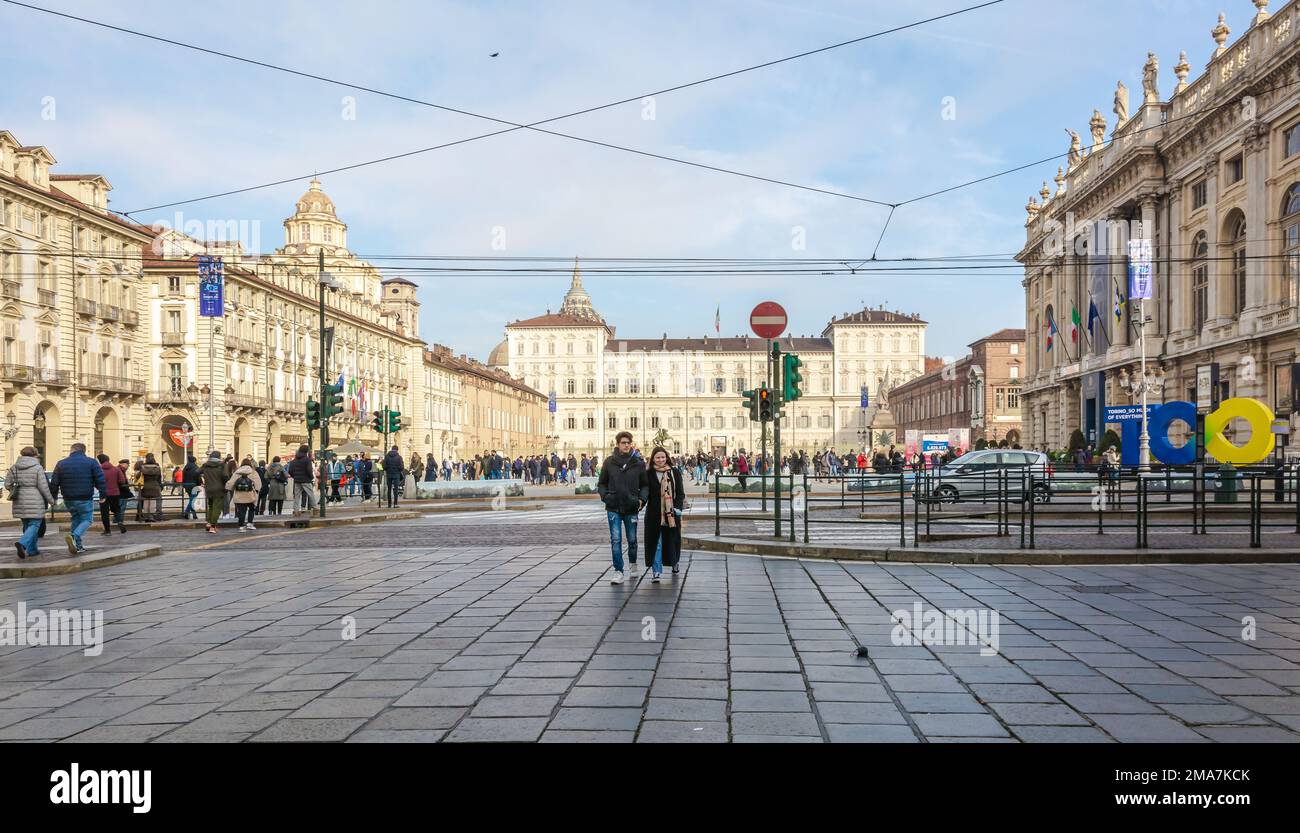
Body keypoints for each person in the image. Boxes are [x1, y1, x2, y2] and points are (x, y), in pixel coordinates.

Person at [597, 431, 647, 585]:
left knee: (632, 540)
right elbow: (601, 483)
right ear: (617, 444)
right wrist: (605, 496)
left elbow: (645, 485)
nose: (626, 445)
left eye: (628, 442)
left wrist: (641, 500)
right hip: (613, 506)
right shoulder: (609, 462)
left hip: (631, 506)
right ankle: (618, 571)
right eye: (623, 442)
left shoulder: (638, 463)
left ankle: (633, 563)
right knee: (616, 539)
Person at [50, 442, 106, 555]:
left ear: (72, 450)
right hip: (84, 497)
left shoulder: (61, 463)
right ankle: (74, 536)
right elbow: (100, 479)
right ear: (84, 451)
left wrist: (53, 497)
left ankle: (78, 546)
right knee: (87, 519)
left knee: (76, 519)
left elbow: (54, 483)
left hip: (68, 498)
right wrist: (103, 494)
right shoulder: (91, 462)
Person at [645, 446, 686, 581]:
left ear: (666, 457)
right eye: (657, 457)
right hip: (653, 514)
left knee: (672, 541)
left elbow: (680, 493)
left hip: (671, 513)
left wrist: (678, 508)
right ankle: (656, 571)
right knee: (656, 542)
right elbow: (645, 493)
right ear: (653, 459)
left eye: (662, 457)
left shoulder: (674, 472)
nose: (660, 460)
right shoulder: (648, 473)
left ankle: (675, 563)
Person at [7, 446, 54, 559]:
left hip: (19, 500)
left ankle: (32, 550)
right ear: (35, 455)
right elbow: (43, 487)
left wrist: (16, 490)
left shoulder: (14, 467)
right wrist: (51, 500)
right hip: (35, 499)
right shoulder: (37, 468)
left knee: (27, 525)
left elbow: (7, 484)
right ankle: (22, 544)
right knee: (35, 524)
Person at [226, 456, 263, 531]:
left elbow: (230, 484)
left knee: (241, 511)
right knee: (252, 509)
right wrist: (257, 490)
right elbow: (258, 484)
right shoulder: (253, 472)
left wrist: (230, 489)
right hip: (251, 495)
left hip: (239, 495)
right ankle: (249, 523)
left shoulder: (237, 472)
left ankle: (241, 526)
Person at [97, 453, 128, 536]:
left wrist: (99, 488)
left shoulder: (98, 469)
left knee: (104, 513)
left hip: (103, 494)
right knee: (116, 510)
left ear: (100, 461)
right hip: (115, 493)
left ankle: (107, 531)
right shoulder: (116, 469)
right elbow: (122, 481)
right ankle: (120, 522)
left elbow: (95, 481)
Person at [200, 451, 227, 533]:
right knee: (217, 508)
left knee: (211, 506)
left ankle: (209, 523)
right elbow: (225, 477)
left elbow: (196, 472)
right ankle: (213, 526)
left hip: (209, 489)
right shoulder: (222, 465)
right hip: (219, 489)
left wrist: (200, 481)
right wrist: (226, 484)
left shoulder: (205, 465)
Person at [288, 444, 316, 513]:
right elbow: (309, 470)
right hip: (306, 480)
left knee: (297, 496)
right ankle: (315, 508)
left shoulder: (294, 460)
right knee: (310, 494)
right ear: (306, 451)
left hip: (297, 480)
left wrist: (295, 476)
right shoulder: (307, 459)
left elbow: (290, 471)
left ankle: (296, 510)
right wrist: (311, 477)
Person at [139, 453, 164, 521]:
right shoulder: (157, 466)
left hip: (145, 486)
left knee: (146, 501)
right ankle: (152, 516)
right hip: (155, 485)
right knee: (153, 501)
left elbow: (140, 476)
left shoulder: (143, 466)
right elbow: (159, 477)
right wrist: (160, 486)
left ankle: (146, 516)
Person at [181, 454, 201, 519]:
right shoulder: (196, 468)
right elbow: (198, 478)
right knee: (192, 500)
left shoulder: (185, 468)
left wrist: (184, 485)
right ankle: (186, 513)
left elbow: (183, 478)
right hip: (194, 486)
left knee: (191, 499)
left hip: (187, 485)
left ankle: (194, 515)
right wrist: (200, 484)